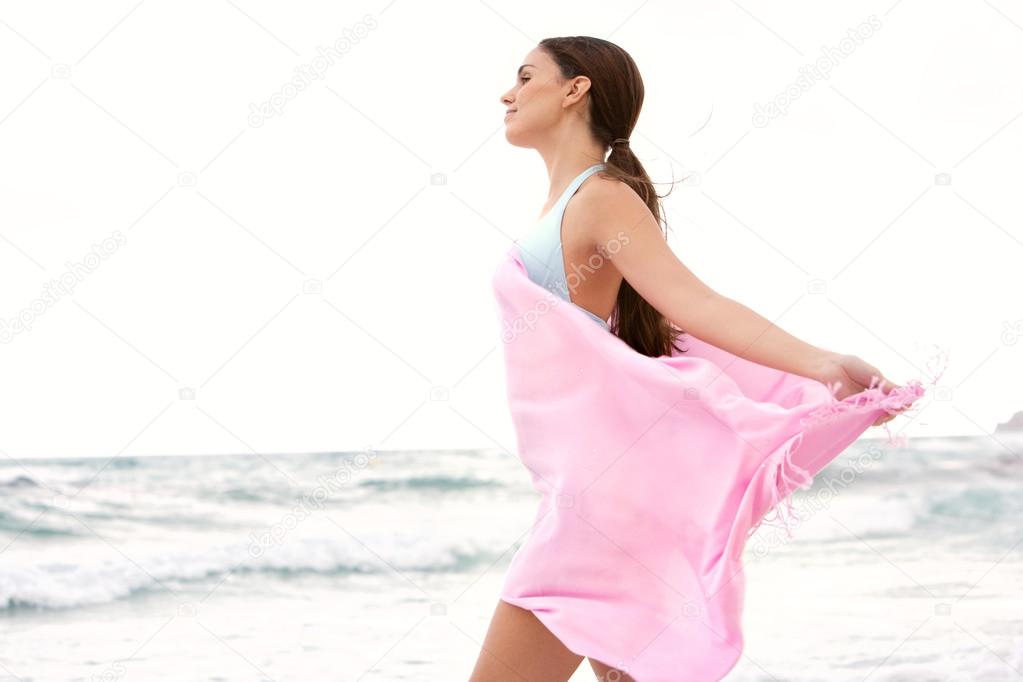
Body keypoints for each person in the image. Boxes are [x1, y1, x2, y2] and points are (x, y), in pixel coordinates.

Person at [471, 36, 908, 682]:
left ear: (574, 89)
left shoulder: (599, 199)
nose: (506, 93)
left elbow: (694, 303)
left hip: (594, 503)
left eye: (525, 76)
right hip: (591, 492)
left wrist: (822, 364)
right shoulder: (567, 207)